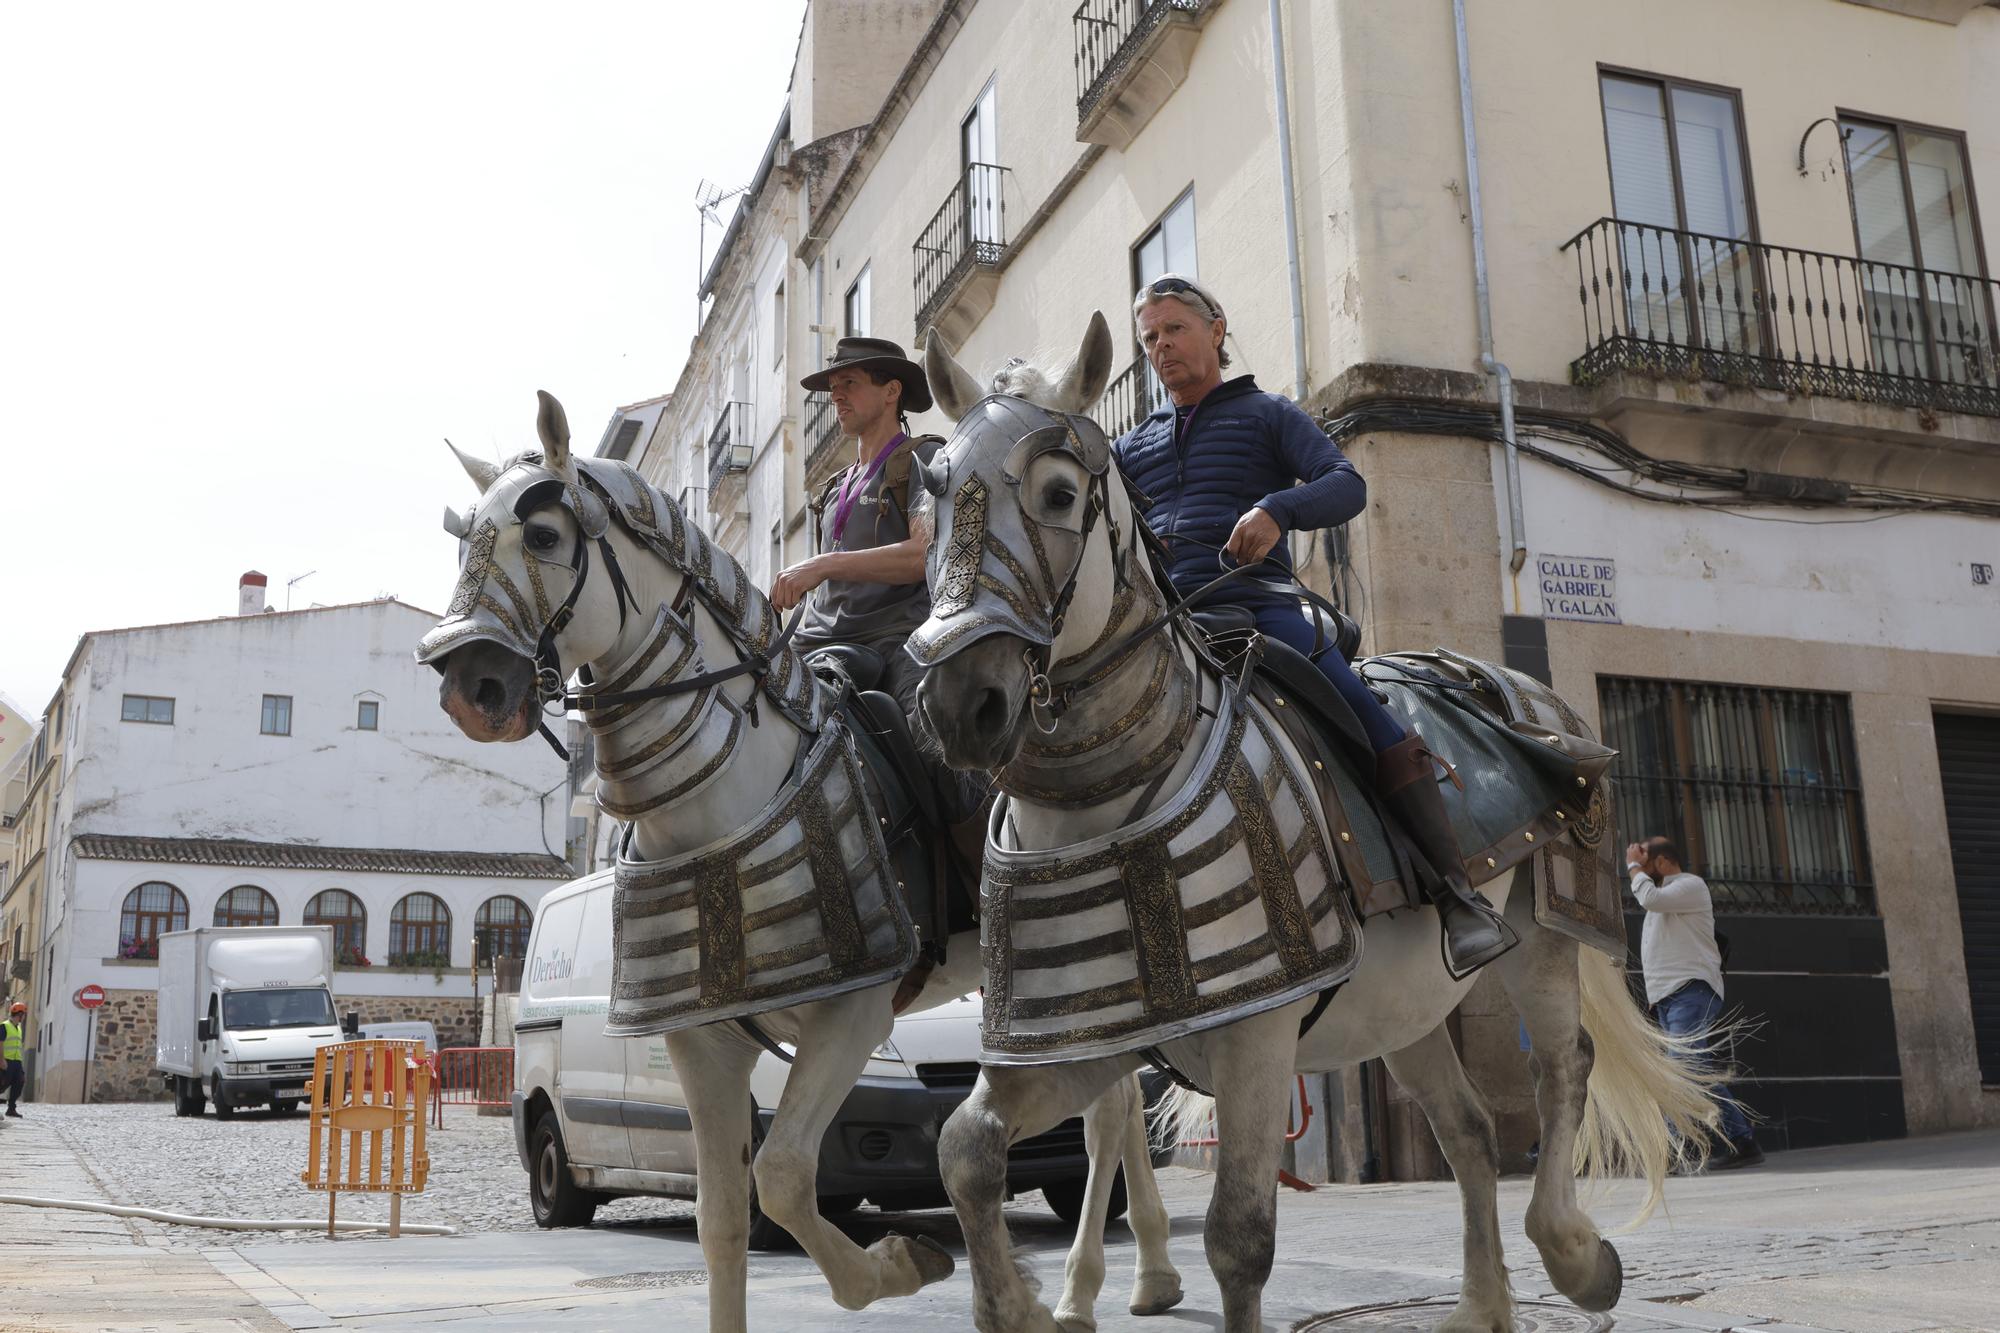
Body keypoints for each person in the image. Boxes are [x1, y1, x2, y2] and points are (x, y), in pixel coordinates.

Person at [1113, 274, 1511, 977]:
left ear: (1216, 328)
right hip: (1160, 623)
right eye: (1149, 337)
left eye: (1173, 328)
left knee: (1354, 705)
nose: (1160, 346)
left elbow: (1346, 482)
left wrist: (1276, 510)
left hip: (1257, 607)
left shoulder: (1268, 412)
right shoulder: (1131, 447)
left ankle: (1457, 895)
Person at [1627, 835, 1762, 1169]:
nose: (1639, 872)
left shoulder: (1689, 886)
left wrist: (1633, 866)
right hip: (1669, 998)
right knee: (1693, 1072)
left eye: (1646, 864)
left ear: (1661, 863)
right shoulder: (1665, 898)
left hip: (1692, 991)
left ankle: (1672, 1152)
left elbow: (1650, 899)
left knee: (1678, 1071)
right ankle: (1743, 1141)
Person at [3, 1001, 26, 1117]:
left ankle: (11, 1108)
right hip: (6, 1061)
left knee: (20, 1081)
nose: (24, 1016)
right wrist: (1, 1060)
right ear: (20, 1014)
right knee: (2, 1084)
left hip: (17, 1061)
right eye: (23, 1014)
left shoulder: (19, 1028)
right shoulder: (4, 1026)